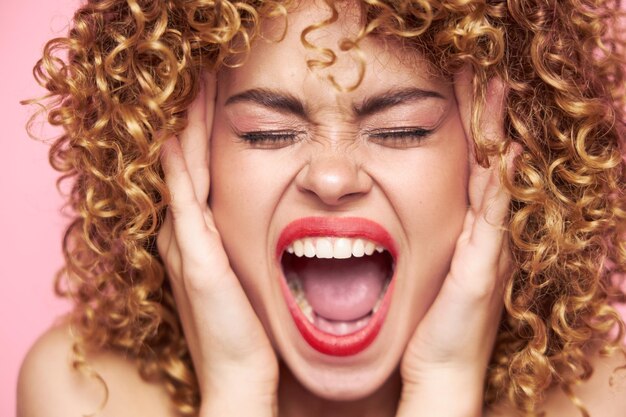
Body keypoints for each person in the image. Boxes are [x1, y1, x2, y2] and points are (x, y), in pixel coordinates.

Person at [16, 0, 626, 416]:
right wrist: (234, 393)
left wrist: (444, 386)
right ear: (175, 150)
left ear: (500, 148)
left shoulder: (601, 398)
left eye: (404, 128)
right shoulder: (87, 393)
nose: (332, 177)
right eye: (265, 132)